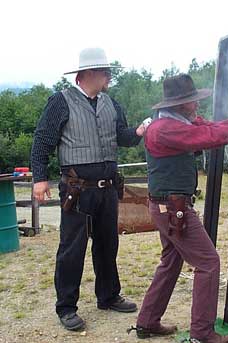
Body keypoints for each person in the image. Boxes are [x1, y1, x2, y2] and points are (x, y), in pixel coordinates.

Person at [128, 74, 228, 342]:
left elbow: (212, 128)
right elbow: (209, 135)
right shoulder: (166, 128)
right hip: (173, 208)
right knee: (209, 263)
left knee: (171, 262)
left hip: (169, 206)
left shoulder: (176, 121)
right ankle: (202, 333)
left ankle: (147, 322)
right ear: (178, 104)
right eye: (191, 101)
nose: (196, 105)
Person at [31, 47, 146, 331]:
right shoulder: (61, 101)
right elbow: (42, 141)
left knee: (108, 244)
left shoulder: (111, 103)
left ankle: (108, 296)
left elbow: (123, 138)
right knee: (72, 248)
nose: (109, 76)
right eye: (104, 72)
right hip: (77, 189)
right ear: (87, 74)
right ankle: (66, 307)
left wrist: (141, 131)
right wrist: (39, 178)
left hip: (108, 189)